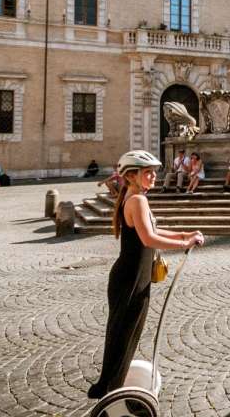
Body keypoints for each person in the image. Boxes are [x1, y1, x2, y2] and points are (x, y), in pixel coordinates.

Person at [87, 150, 204, 400]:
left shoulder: (134, 196)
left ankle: (110, 387)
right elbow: (149, 238)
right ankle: (110, 394)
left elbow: (154, 229)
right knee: (123, 338)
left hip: (132, 276)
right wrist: (185, 244)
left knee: (124, 336)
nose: (153, 176)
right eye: (148, 172)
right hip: (130, 279)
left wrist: (185, 235)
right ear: (132, 175)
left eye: (153, 172)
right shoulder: (136, 200)